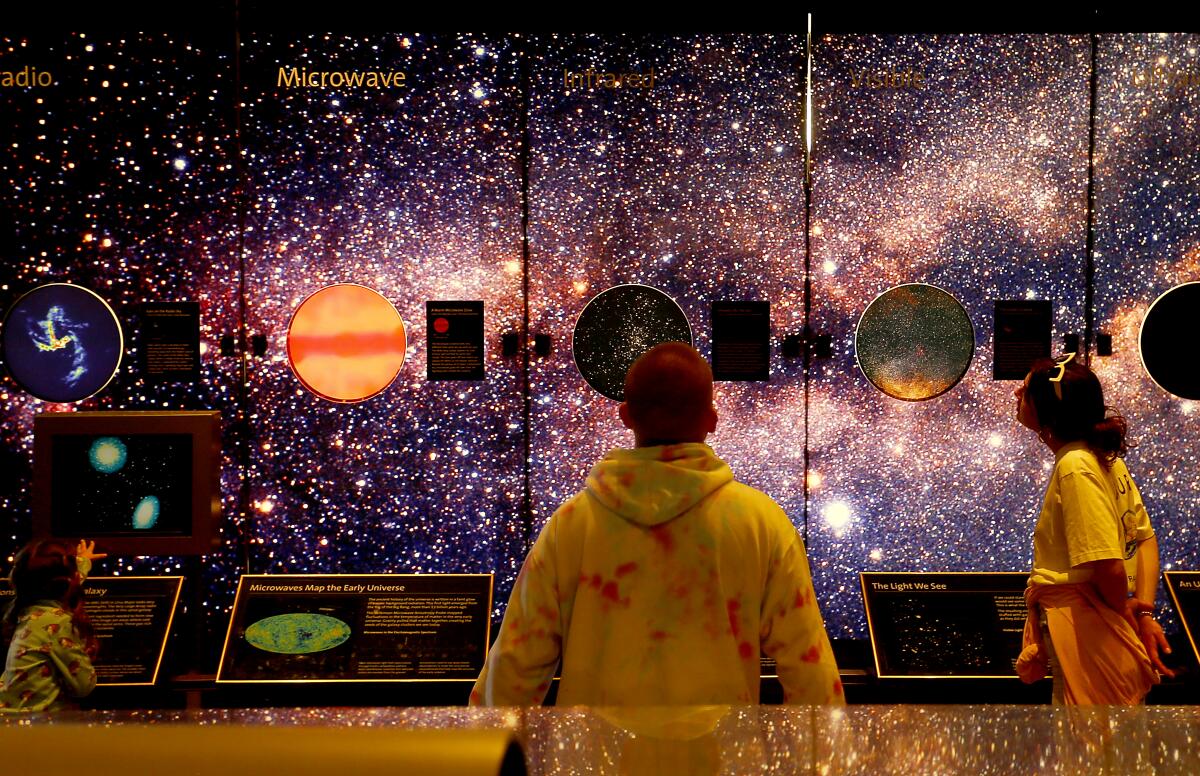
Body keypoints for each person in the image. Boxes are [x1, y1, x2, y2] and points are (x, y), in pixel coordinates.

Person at [471, 342, 843, 706]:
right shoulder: (761, 522)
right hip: (721, 762)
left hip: (596, 763)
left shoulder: (571, 525)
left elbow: (513, 671)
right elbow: (810, 669)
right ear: (712, 418)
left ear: (626, 415)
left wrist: (480, 755)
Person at [1013, 353, 1173, 704]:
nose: (1015, 394)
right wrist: (1142, 608)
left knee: (1087, 745)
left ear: (1047, 409)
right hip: (1098, 622)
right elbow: (1143, 539)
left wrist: (1122, 614)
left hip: (1087, 628)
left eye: (1024, 390)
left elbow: (1107, 565)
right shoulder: (1104, 459)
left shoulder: (1074, 466)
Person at [0, 539, 105, 712]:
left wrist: (82, 561)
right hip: (35, 725)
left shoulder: (31, 611)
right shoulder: (58, 623)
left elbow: (54, 581)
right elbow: (84, 686)